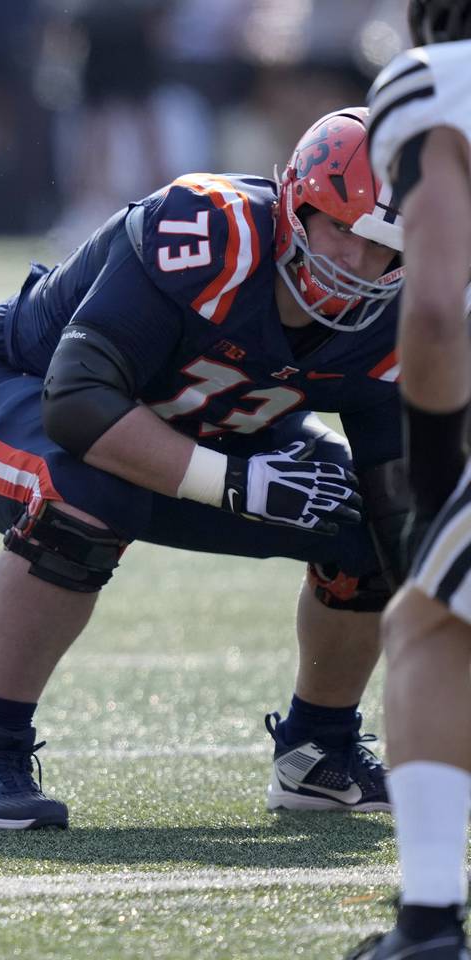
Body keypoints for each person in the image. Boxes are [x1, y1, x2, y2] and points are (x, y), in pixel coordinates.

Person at [0, 106, 408, 830]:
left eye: (382, 245)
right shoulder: (207, 230)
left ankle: (319, 750)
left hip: (204, 430)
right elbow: (80, 404)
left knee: (360, 518)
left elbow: (402, 504)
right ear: (295, 202)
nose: (358, 264)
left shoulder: (402, 309)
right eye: (342, 227)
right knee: (85, 497)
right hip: (8, 388)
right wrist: (236, 483)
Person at [348, 3, 471, 957]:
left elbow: (431, 310)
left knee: (424, 620)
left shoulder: (436, 81)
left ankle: (430, 923)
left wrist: (432, 473)